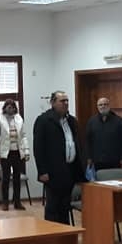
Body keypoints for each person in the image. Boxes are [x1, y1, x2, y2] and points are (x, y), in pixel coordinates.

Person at [33, 91, 84, 224]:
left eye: (67, 101)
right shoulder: (44, 120)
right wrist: (42, 171)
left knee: (65, 206)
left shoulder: (71, 121)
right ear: (53, 103)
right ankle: (53, 233)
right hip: (53, 171)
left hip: (69, 169)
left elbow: (76, 144)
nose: (65, 103)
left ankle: (65, 234)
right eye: (62, 101)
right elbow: (38, 148)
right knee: (53, 206)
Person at [0, 99, 30, 211]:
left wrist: (26, 151)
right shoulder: (0, 119)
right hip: (5, 153)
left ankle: (17, 202)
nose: (11, 109)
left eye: (13, 107)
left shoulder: (19, 119)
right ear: (5, 108)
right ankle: (5, 202)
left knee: (16, 178)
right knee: (5, 178)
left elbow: (23, 136)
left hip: (17, 152)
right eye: (9, 107)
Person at [85, 96, 122, 171]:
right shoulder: (91, 122)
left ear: (109, 106)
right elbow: (88, 141)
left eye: (105, 104)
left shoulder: (119, 121)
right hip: (97, 161)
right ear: (97, 107)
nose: (103, 106)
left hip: (115, 161)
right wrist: (89, 157)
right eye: (100, 105)